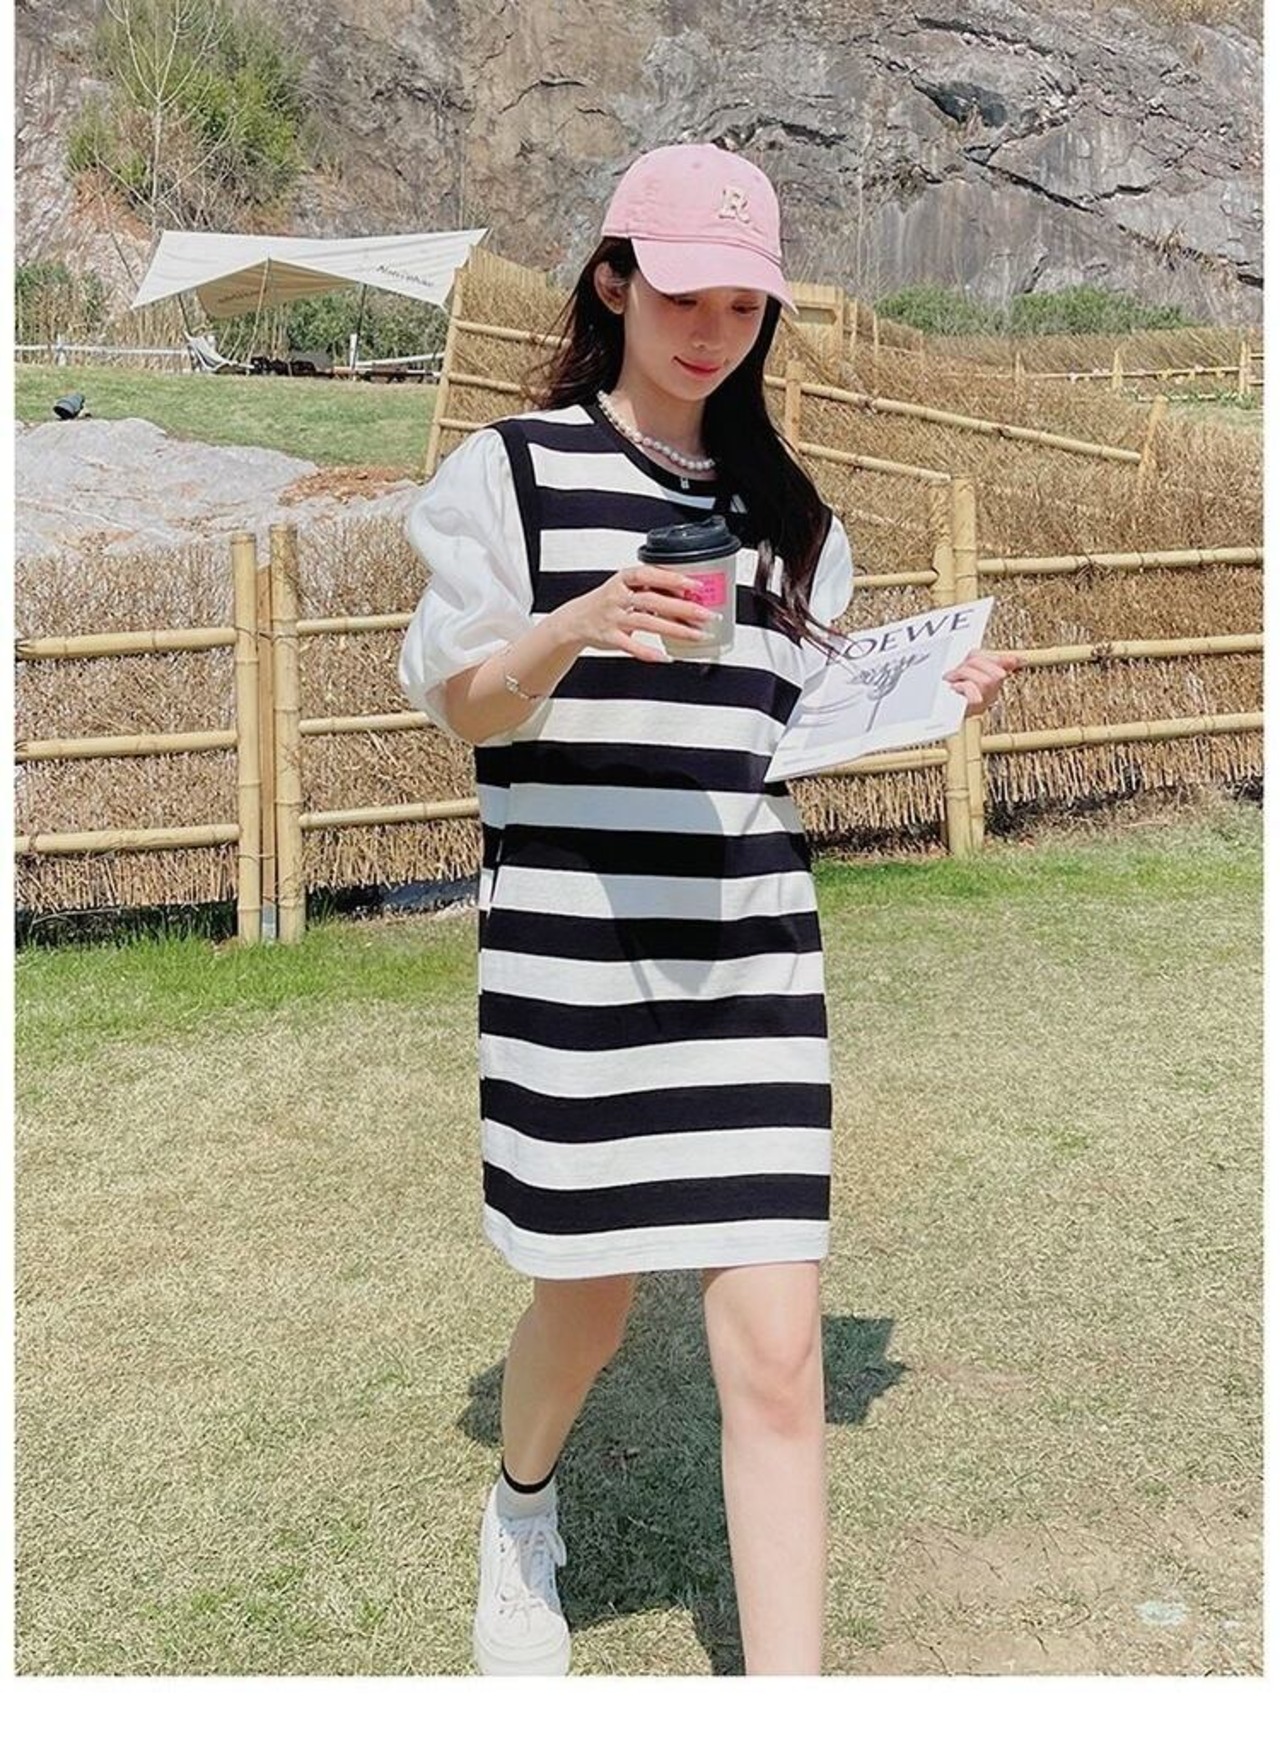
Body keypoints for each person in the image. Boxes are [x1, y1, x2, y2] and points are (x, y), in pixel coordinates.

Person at [398, 141, 1020, 1678]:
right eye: (684, 296)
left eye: (744, 306)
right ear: (613, 282)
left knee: (780, 1355)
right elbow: (464, 704)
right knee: (587, 1309)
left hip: (751, 967)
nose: (712, 332)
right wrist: (575, 621)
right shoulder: (513, 474)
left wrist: (914, 693)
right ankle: (521, 1504)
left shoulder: (787, 515)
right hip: (577, 973)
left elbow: (786, 726)